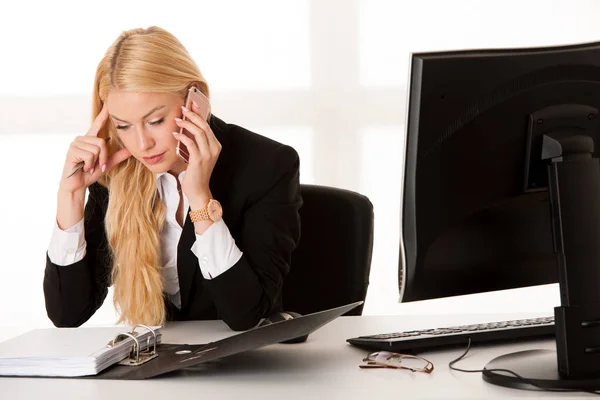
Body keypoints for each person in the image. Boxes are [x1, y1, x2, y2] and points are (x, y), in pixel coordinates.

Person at [43, 26, 302, 331]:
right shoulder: (117, 171)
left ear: (195, 99)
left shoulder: (267, 165)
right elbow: (67, 314)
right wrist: (70, 196)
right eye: (123, 125)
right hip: (162, 369)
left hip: (245, 368)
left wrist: (200, 199)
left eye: (155, 121)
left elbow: (246, 314)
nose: (141, 144)